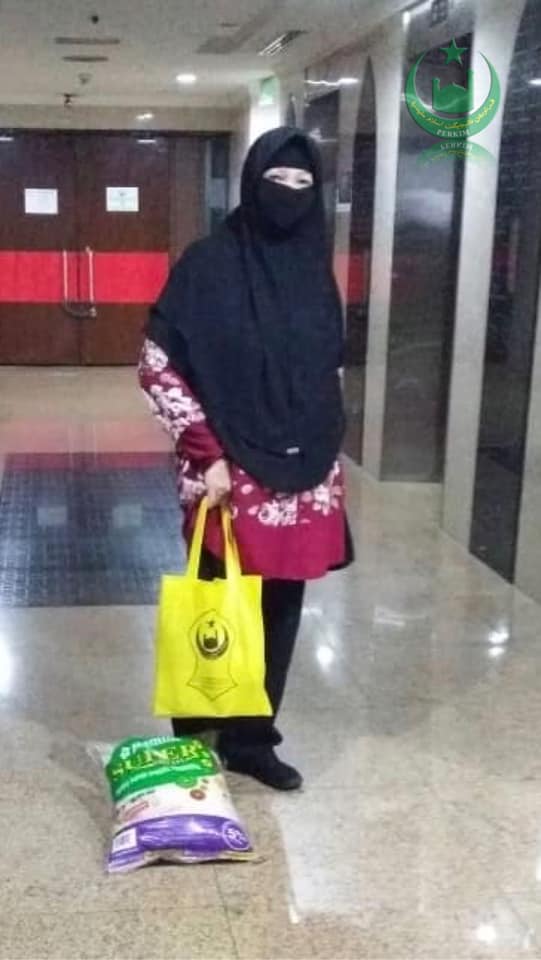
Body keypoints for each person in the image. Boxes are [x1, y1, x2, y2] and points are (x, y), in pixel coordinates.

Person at [139, 126, 352, 791]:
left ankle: (253, 739)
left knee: (281, 604)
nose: (289, 195)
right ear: (250, 184)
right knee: (216, 595)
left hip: (304, 466)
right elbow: (157, 366)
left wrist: (322, 443)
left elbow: (327, 367)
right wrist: (207, 454)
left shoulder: (314, 270)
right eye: (275, 181)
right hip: (224, 469)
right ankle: (198, 727)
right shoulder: (207, 264)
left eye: (303, 184)